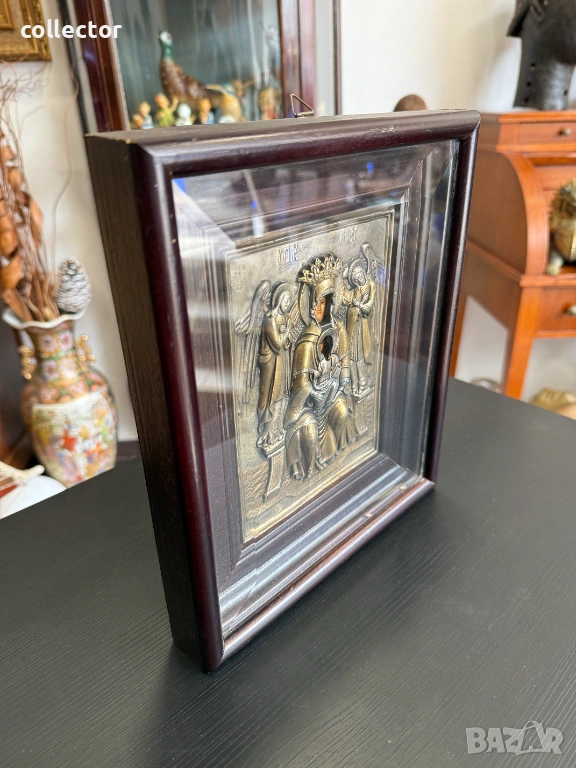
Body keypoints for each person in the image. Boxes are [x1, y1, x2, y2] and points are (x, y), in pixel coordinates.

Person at [284, 254, 356, 479]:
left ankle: (346, 457)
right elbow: (301, 384)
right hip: (308, 404)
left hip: (331, 395)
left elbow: (344, 362)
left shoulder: (339, 329)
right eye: (317, 302)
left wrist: (343, 381)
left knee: (343, 412)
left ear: (331, 303)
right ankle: (311, 467)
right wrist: (315, 393)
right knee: (310, 429)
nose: (319, 307)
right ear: (311, 302)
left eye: (325, 302)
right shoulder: (306, 341)